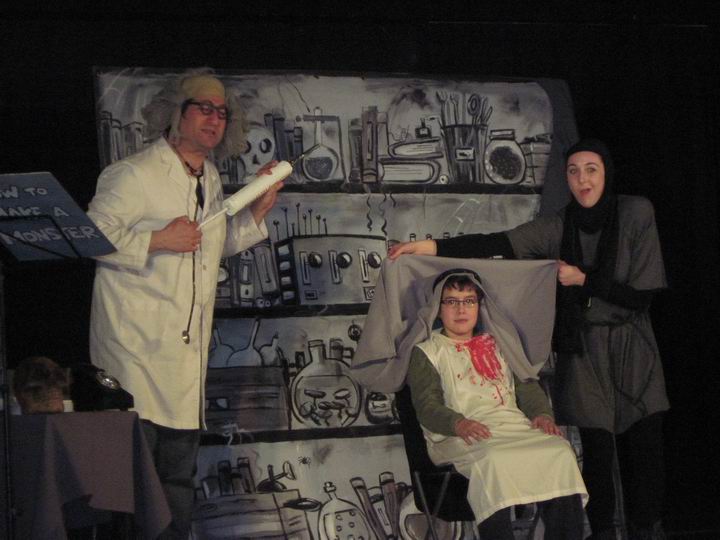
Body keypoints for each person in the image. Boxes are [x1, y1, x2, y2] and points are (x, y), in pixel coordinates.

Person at [389, 139, 669, 540]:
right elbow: (498, 243)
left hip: (631, 345)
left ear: (606, 173)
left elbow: (642, 296)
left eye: (591, 169)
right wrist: (429, 247)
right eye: (573, 171)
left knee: (644, 448)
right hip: (585, 348)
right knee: (596, 451)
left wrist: (584, 280)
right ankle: (603, 533)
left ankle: (647, 531)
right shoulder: (558, 226)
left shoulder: (635, 213)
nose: (582, 179)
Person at [87, 69, 283, 539]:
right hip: (135, 353)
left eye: (222, 112)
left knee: (176, 484)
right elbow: (91, 235)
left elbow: (205, 247)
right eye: (204, 108)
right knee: (133, 489)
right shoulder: (133, 174)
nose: (214, 119)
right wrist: (157, 239)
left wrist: (255, 212)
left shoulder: (208, 177)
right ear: (176, 112)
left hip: (182, 362)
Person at [407, 269, 586, 540]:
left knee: (560, 451)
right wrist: (458, 423)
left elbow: (526, 386)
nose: (461, 309)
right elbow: (426, 405)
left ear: (479, 305)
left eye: (469, 301)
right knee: (494, 460)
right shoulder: (428, 352)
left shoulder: (499, 343)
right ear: (438, 308)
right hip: (461, 434)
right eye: (452, 301)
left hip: (512, 426)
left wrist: (541, 414)